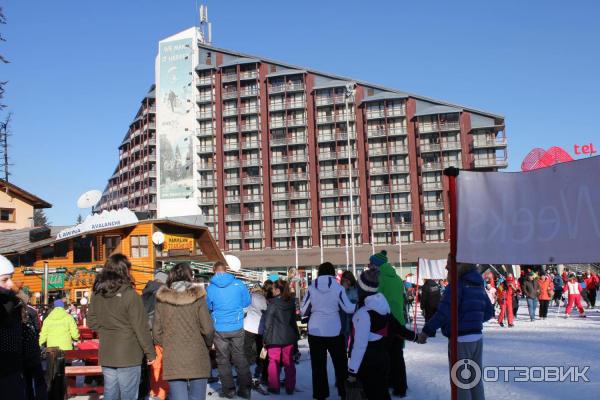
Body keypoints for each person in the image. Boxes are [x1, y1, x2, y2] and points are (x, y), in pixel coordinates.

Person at [418, 262, 494, 400]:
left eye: (449, 263)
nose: (446, 267)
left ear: (460, 265)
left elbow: (442, 313)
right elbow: (489, 312)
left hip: (460, 340)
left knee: (461, 382)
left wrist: (426, 332)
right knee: (475, 380)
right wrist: (473, 320)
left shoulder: (456, 286)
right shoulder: (478, 285)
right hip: (476, 337)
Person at [88, 254, 156, 400]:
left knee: (110, 394)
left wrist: (107, 329)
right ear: (125, 271)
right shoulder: (130, 295)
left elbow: (91, 322)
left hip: (107, 352)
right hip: (129, 354)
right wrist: (150, 353)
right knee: (129, 395)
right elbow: (141, 327)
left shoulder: (97, 293)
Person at [153, 263, 214, 400]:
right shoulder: (198, 298)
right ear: (189, 276)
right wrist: (207, 345)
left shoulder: (162, 300)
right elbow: (208, 329)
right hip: (197, 354)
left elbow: (156, 332)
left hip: (173, 354)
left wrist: (167, 344)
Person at [301, 262, 355, 400]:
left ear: (319, 272)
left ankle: (320, 395)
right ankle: (344, 394)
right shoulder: (338, 288)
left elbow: (303, 310)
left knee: (318, 367)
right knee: (341, 365)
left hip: (315, 330)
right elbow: (348, 308)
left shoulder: (312, 287)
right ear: (332, 272)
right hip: (335, 330)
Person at [206, 261, 252, 399]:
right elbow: (247, 302)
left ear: (214, 270)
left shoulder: (211, 288)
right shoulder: (239, 284)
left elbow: (208, 306)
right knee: (239, 356)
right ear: (226, 270)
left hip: (219, 327)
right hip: (237, 325)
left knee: (222, 359)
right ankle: (245, 389)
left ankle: (229, 390)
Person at [377, 252, 409, 397]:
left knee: (385, 355)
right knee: (397, 355)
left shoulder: (379, 279)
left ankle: (388, 382)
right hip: (399, 321)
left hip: (385, 321)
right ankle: (400, 386)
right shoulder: (397, 278)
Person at [262, 279, 298, 395]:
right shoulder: (291, 302)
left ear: (278, 290)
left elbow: (267, 323)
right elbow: (293, 321)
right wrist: (296, 336)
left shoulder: (272, 304)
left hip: (274, 337)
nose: (271, 290)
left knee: (273, 361)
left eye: (272, 288)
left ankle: (274, 386)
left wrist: (265, 339)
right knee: (289, 362)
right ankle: (290, 386)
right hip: (288, 336)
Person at [142, 271, 169, 400]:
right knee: (162, 364)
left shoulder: (145, 292)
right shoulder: (163, 293)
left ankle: (153, 390)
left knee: (153, 364)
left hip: (146, 333)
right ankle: (162, 393)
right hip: (160, 332)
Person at [243, 282, 268, 385]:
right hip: (261, 328)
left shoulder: (250, 297)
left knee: (246, 349)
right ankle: (262, 369)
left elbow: (244, 309)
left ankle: (245, 372)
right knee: (262, 350)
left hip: (249, 326)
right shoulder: (264, 299)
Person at [340, 270, 358, 347]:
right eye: (344, 280)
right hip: (344, 315)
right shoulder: (341, 289)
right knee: (345, 333)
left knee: (354, 334)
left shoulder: (356, 288)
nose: (346, 282)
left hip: (354, 314)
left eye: (347, 280)